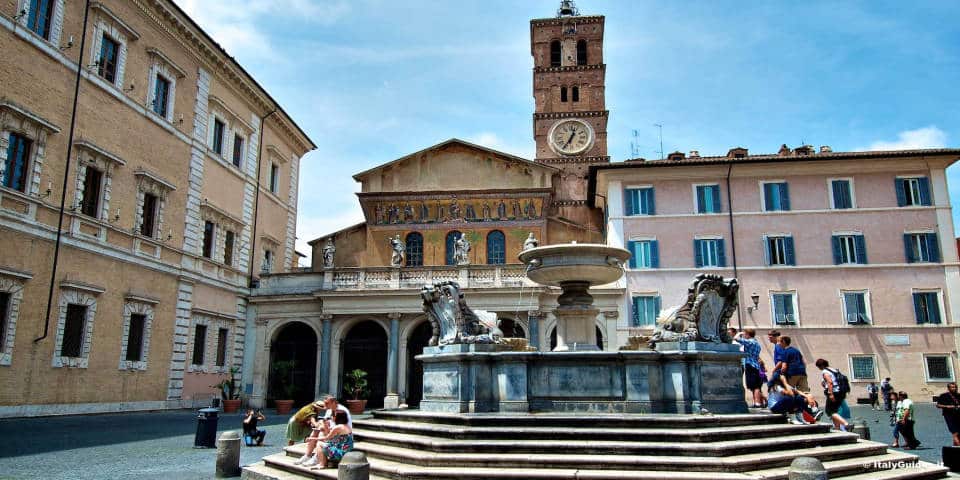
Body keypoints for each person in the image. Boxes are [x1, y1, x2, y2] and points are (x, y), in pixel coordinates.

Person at [815, 358, 849, 432]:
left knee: (829, 411)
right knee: (835, 411)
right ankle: (837, 429)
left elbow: (830, 382)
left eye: (818, 367)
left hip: (834, 392)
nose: (819, 369)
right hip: (841, 392)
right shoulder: (834, 370)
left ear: (821, 366)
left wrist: (831, 394)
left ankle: (846, 424)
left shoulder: (825, 371)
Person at [734, 328, 764, 408]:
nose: (744, 335)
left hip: (750, 365)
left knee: (754, 386)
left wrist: (739, 333)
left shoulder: (750, 342)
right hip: (755, 365)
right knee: (754, 385)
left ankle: (757, 403)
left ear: (748, 334)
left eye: (745, 334)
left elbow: (736, 339)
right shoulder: (757, 343)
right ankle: (757, 403)